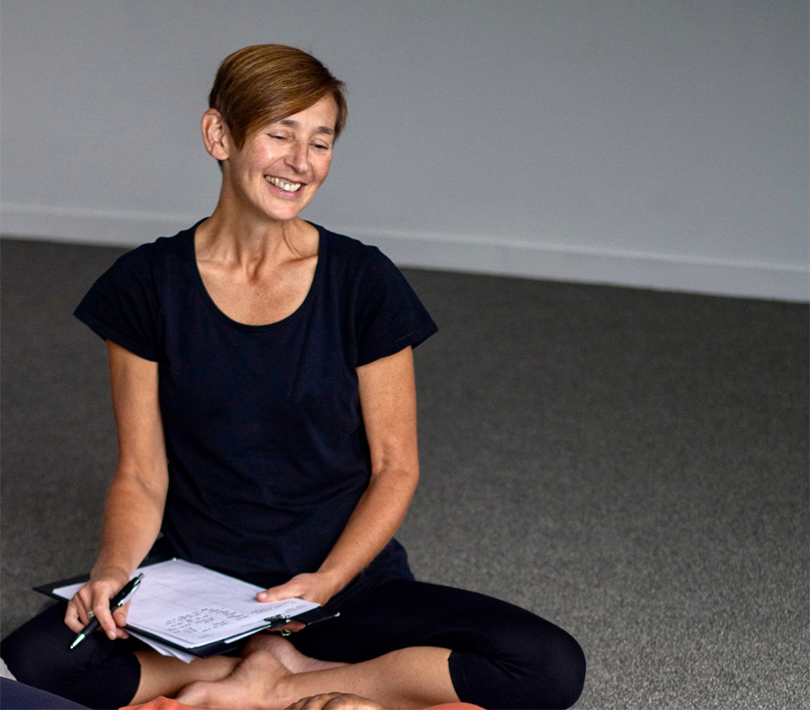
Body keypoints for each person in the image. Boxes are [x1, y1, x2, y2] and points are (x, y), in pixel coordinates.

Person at [1, 45, 585, 710]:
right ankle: (247, 675)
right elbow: (140, 472)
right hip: (197, 595)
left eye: (321, 141)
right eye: (280, 134)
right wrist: (112, 572)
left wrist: (326, 582)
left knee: (547, 665)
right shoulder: (145, 285)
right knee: (29, 663)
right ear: (219, 135)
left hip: (340, 591)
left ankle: (280, 683)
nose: (301, 163)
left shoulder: (363, 281)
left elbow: (396, 465)